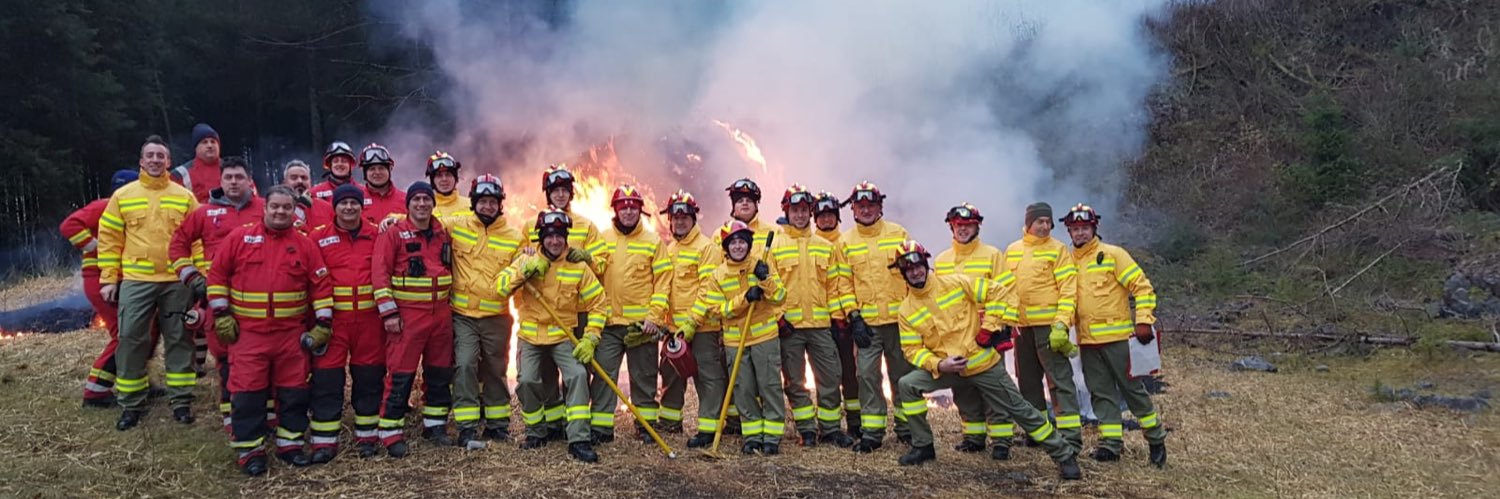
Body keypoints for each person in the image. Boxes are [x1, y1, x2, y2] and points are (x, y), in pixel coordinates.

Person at [887, 239, 1081, 480]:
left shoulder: (956, 283)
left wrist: (990, 328)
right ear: (902, 274)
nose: (915, 272)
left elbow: (1000, 292)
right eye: (908, 269)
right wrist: (938, 364)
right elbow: (912, 349)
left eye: (918, 266)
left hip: (981, 364)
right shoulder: (906, 309)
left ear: (926, 264)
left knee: (1019, 409)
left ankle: (1063, 454)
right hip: (947, 368)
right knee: (908, 384)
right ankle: (923, 446)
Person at [206, 186, 333, 476]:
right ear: (265, 208)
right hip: (249, 334)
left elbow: (321, 288)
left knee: (294, 394)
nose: (280, 212)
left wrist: (323, 325)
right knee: (247, 394)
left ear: (294, 211)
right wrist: (222, 314)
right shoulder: (239, 239)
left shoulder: (305, 245)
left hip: (291, 335)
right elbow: (216, 277)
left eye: (286, 207)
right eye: (275, 206)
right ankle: (251, 453)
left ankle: (290, 446)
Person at [98, 135, 200, 431]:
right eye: (150, 155)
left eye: (161, 156)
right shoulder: (124, 196)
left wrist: (197, 276)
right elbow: (109, 240)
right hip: (136, 281)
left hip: (176, 281)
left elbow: (199, 240)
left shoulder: (184, 197)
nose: (155, 160)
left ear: (169, 162)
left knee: (180, 338)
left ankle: (181, 401)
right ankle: (131, 403)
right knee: (130, 339)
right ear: (141, 161)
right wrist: (108, 279)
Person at [495, 209, 608, 463]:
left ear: (566, 237)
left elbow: (599, 304)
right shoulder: (527, 259)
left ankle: (578, 439)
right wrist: (525, 272)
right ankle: (537, 432)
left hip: (562, 335)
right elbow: (499, 287)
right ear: (541, 238)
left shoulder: (578, 266)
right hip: (531, 337)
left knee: (578, 375)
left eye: (560, 236)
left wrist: (590, 337)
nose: (555, 241)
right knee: (526, 381)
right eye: (549, 236)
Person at [1061, 204, 1167, 467]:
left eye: (1084, 228)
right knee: (1100, 393)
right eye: (1075, 229)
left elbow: (1142, 287)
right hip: (1086, 342)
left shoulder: (1113, 255)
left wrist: (1143, 320)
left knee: (1132, 391)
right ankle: (1110, 444)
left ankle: (1155, 439)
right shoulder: (1066, 260)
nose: (1080, 234)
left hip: (1118, 340)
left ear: (1094, 228)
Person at [169, 157, 266, 431]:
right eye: (228, 177)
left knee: (261, 360)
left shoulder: (265, 209)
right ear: (220, 182)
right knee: (225, 360)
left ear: (249, 181)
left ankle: (265, 418)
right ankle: (232, 419)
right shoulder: (203, 213)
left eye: (239, 177)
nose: (234, 182)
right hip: (218, 298)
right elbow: (177, 246)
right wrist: (192, 278)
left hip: (260, 299)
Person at [687, 220, 787, 455]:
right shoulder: (717, 276)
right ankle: (752, 436)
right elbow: (717, 309)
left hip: (764, 338)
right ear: (726, 247)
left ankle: (771, 437)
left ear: (749, 244)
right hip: (735, 341)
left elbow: (780, 297)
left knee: (770, 387)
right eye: (734, 242)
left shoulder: (762, 265)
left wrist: (766, 280)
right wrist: (745, 299)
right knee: (743, 390)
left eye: (743, 241)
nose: (739, 247)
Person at [521, 164, 605, 439]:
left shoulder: (586, 225)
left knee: (578, 373)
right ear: (548, 193)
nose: (560, 195)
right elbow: (520, 258)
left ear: (571, 193)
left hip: (577, 312)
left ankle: (577, 430)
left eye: (564, 190)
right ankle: (553, 425)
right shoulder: (530, 226)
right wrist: (528, 261)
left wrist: (588, 258)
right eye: (555, 190)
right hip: (543, 315)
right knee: (543, 375)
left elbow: (603, 263)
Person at [372, 181, 455, 457]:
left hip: (441, 315)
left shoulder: (442, 232)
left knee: (439, 373)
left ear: (433, 204)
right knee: (400, 374)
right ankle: (390, 431)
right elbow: (380, 273)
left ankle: (434, 425)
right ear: (407, 205)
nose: (422, 204)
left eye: (426, 199)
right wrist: (389, 312)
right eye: (416, 199)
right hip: (408, 316)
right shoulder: (393, 233)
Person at [934, 202, 1020, 460]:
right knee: (964, 387)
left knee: (994, 386)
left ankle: (1002, 440)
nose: (962, 229)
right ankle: (973, 436)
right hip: (955, 335)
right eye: (958, 225)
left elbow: (1008, 293)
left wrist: (995, 328)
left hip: (986, 332)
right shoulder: (941, 260)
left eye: (968, 225)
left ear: (977, 225)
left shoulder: (992, 255)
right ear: (951, 226)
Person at [772, 185, 856, 448]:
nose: (799, 215)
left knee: (830, 378)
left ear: (810, 212)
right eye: (794, 210)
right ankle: (806, 429)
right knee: (795, 382)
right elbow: (770, 287)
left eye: (803, 210)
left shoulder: (824, 246)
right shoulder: (775, 245)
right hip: (790, 328)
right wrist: (778, 318)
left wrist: (838, 319)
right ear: (787, 211)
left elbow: (834, 287)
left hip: (821, 327)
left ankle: (830, 429)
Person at [305, 185, 385, 462]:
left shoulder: (377, 235)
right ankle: (324, 442)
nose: (349, 207)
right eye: (343, 203)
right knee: (327, 379)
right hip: (333, 323)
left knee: (369, 379)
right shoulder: (318, 238)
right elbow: (312, 280)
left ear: (362, 206)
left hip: (369, 322)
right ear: (334, 207)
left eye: (354, 203)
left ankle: (367, 437)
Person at [444, 174, 524, 447]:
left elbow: (521, 268)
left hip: (497, 318)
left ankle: (498, 425)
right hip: (463, 316)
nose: (488, 206)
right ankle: (466, 426)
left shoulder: (514, 236)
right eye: (483, 201)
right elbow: (423, 219)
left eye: (493, 202)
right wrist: (394, 219)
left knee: (496, 369)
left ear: (500, 204)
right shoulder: (456, 225)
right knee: (465, 365)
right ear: (474, 202)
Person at [588, 185, 672, 443]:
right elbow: (591, 278)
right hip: (609, 324)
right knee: (603, 377)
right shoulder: (602, 238)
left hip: (641, 327)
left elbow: (663, 281)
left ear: (640, 211)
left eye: (633, 207)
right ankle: (601, 428)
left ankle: (645, 426)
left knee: (645, 378)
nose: (628, 211)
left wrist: (655, 318)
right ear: (615, 210)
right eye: (623, 207)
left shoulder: (653, 242)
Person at [839, 181, 911, 451]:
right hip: (867, 325)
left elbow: (912, 274)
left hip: (900, 323)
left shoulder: (898, 233)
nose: (866, 209)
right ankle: (872, 432)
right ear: (853, 209)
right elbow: (844, 285)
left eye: (871, 205)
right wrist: (854, 316)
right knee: (867, 376)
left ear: (880, 206)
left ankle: (908, 428)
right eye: (861, 205)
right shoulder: (845, 241)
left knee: (902, 377)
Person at [1006, 202, 1083, 450]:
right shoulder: (1013, 251)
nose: (1045, 226)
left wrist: (1062, 323)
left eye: (1048, 222)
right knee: (1027, 382)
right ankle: (1038, 432)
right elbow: (1005, 289)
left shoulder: (1058, 250)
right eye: (1040, 221)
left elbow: (1068, 289)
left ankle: (1070, 436)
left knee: (1059, 381)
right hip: (1021, 328)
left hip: (1049, 328)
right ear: (1029, 223)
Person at [654, 190, 729, 447]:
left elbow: (708, 290)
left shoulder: (707, 248)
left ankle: (707, 430)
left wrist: (692, 323)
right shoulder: (670, 249)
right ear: (670, 220)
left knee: (708, 378)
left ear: (694, 218)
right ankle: (670, 423)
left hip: (703, 328)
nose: (680, 221)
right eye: (676, 217)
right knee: (671, 377)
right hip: (674, 329)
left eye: (685, 216)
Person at [62, 169, 139, 407]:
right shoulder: (104, 206)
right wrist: (97, 246)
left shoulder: (134, 211)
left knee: (141, 331)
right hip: (101, 280)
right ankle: (95, 391)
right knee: (124, 334)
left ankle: (136, 381)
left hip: (122, 280)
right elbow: (69, 226)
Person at [813, 191, 862, 438]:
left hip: (847, 320)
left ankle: (855, 423)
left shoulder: (847, 243)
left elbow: (845, 284)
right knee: (827, 376)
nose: (826, 220)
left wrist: (846, 317)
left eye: (830, 215)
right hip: (821, 322)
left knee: (851, 373)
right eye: (821, 216)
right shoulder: (809, 244)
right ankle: (829, 427)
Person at [172, 123, 222, 202]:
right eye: (204, 142)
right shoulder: (180, 174)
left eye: (213, 142)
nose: (210, 145)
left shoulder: (231, 169)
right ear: (196, 148)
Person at [281, 159, 335, 232]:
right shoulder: (276, 210)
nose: (300, 181)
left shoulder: (327, 208)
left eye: (304, 178)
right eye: (294, 178)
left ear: (310, 182)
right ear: (284, 183)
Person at [358, 143, 406, 224]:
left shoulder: (406, 199)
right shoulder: (355, 201)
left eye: (381, 168)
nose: (377, 172)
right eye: (372, 169)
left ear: (390, 169)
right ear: (364, 172)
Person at [427, 151, 471, 217]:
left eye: (448, 175)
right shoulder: (425, 209)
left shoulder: (471, 205)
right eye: (439, 176)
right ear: (432, 181)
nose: (444, 179)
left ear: (456, 178)